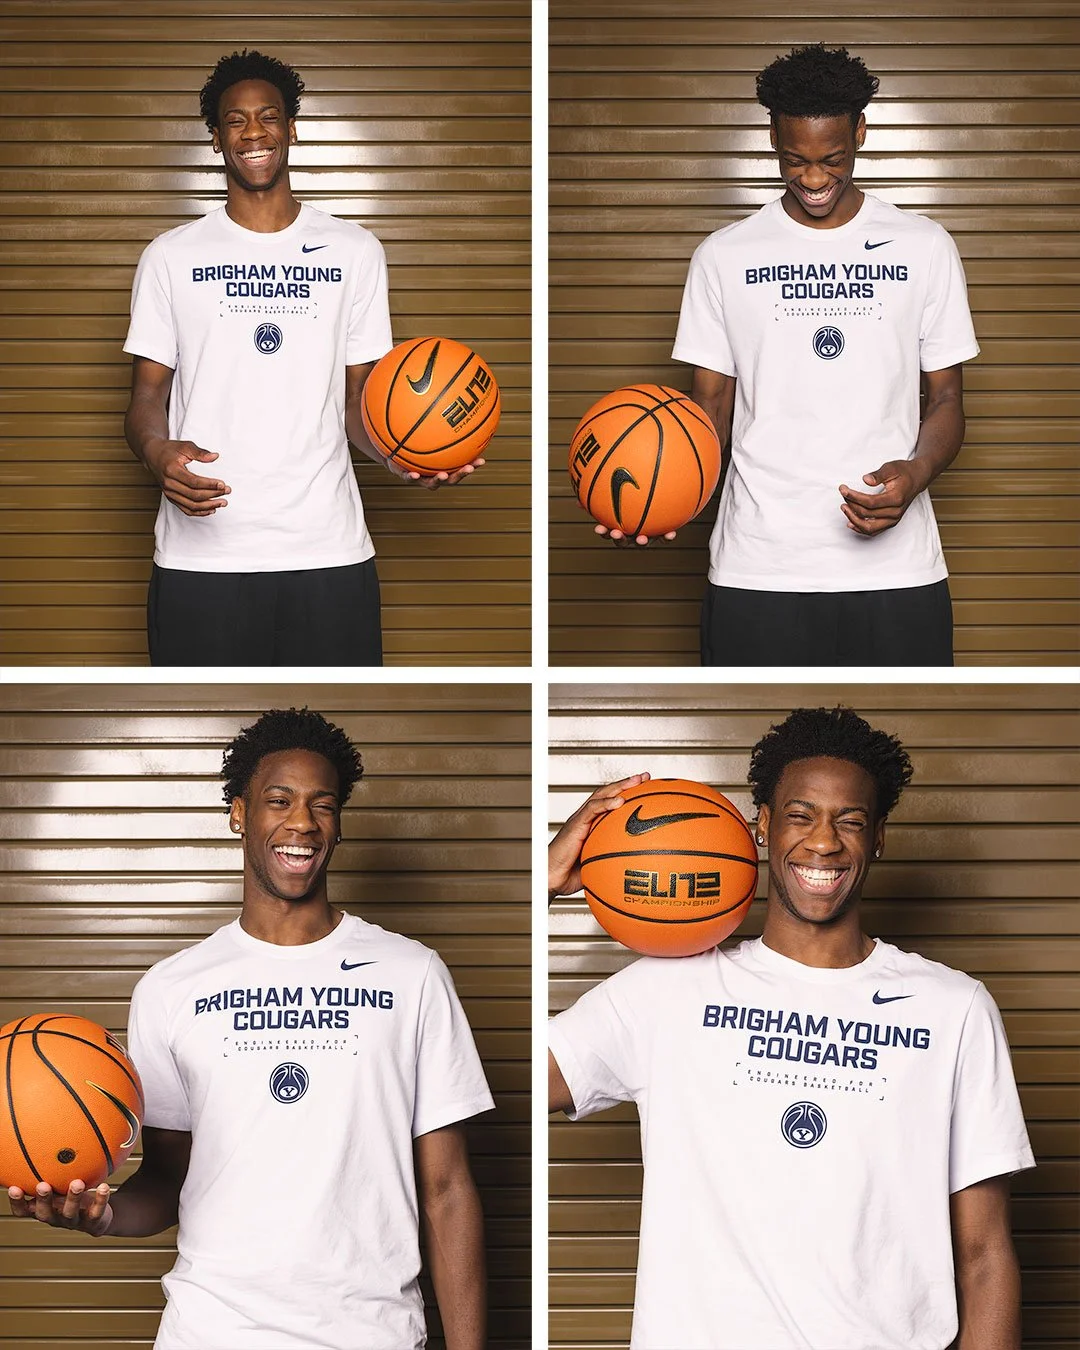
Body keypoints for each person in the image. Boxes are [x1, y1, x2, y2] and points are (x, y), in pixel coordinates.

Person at [549, 707, 1033, 1350]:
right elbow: (491, 1079)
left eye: (851, 821)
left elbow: (984, 1252)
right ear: (763, 827)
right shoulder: (669, 987)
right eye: (801, 816)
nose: (824, 842)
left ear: (879, 836)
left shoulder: (953, 1008)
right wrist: (539, 884)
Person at [9, 708, 493, 1350]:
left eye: (323, 805)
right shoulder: (172, 988)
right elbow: (167, 1181)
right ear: (240, 813)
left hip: (370, 1333)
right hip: (211, 1331)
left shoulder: (413, 974)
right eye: (279, 800)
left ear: (338, 824)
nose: (302, 822)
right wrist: (99, 1216)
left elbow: (448, 1189)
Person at [123, 50, 483, 667]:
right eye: (234, 121)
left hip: (328, 552)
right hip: (202, 555)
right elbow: (145, 400)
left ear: (292, 130)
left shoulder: (356, 251)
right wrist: (158, 453)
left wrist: (406, 458)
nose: (253, 132)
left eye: (268, 117)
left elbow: (357, 406)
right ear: (216, 140)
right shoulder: (170, 257)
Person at [641, 44, 977, 666]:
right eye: (795, 160)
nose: (815, 179)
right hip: (758, 565)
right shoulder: (724, 255)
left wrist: (916, 475)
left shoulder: (925, 247)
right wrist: (659, 500)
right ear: (771, 135)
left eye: (833, 160)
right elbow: (707, 409)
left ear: (861, 133)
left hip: (896, 572)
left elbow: (948, 398)